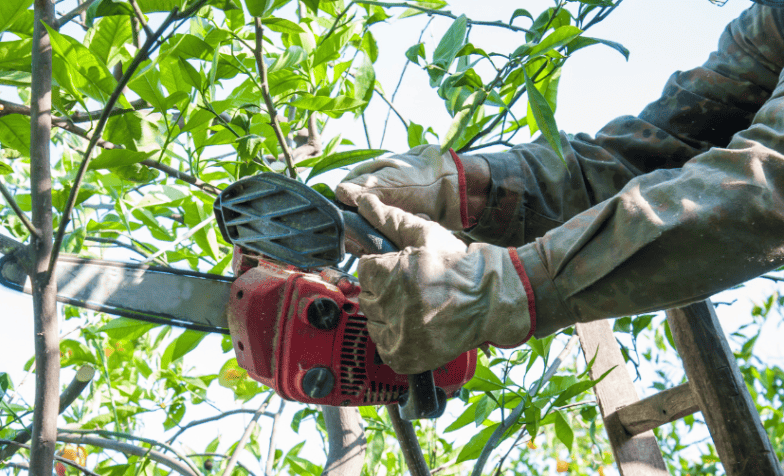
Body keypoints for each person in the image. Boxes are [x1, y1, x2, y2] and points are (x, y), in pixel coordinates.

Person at [336, 1, 784, 375]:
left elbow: (767, 186)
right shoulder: (770, 22)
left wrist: (500, 290)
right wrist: (461, 187)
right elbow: (647, 152)